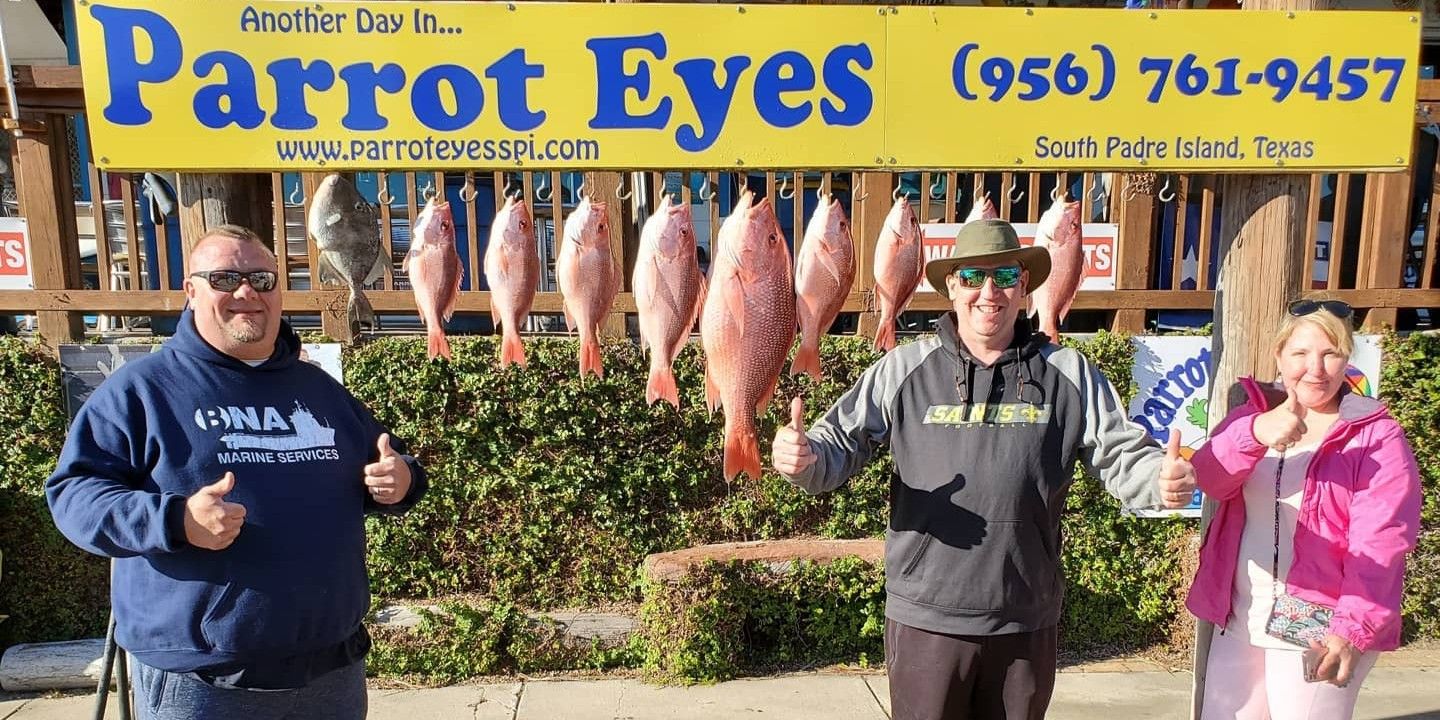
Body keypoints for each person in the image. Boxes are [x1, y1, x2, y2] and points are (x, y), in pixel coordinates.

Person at [771, 218, 1196, 720]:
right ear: (952, 286)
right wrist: (803, 458)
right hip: (927, 617)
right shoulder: (903, 369)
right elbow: (836, 445)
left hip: (1024, 618)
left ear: (1024, 285)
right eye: (973, 277)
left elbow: (1122, 455)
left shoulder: (1069, 373)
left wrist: (1159, 481)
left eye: (1005, 276)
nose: (988, 292)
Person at [45, 224, 428, 719]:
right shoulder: (141, 391)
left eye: (261, 279)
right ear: (191, 291)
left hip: (331, 671)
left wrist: (402, 481)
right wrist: (176, 520)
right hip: (202, 681)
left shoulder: (320, 391)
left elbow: (391, 463)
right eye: (225, 278)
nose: (247, 292)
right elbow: (75, 496)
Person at [1186, 299, 1421, 720]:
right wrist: (1254, 433)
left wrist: (1351, 630)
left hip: (1322, 623)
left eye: (1331, 353)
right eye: (1300, 353)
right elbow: (1210, 478)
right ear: (1279, 355)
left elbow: (1381, 546)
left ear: (1347, 358)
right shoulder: (1250, 417)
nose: (1316, 368)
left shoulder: (1377, 437)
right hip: (1242, 615)